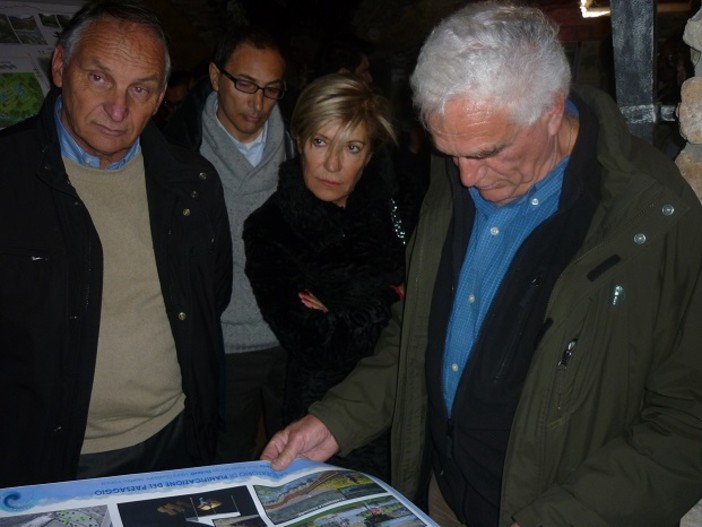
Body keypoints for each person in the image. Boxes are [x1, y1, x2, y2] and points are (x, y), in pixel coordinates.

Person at [260, 2, 702, 526]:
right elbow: (417, 331)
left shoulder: (653, 217)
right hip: (439, 494)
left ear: (551, 111)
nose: (467, 178)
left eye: (488, 152)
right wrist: (337, 419)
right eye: (451, 152)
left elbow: (686, 422)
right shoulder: (457, 173)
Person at [0, 0, 232, 488]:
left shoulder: (193, 184)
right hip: (43, 458)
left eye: (140, 88)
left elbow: (212, 294)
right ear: (60, 67)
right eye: (100, 78)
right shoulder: (8, 178)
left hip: (177, 441)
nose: (118, 108)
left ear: (161, 96)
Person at [243, 74, 407, 481]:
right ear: (300, 141)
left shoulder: (394, 206)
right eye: (320, 142)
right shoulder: (270, 227)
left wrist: (346, 309)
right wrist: (393, 299)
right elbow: (315, 342)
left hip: (404, 412)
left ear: (369, 155)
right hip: (321, 420)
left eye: (351, 147)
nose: (333, 164)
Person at [164, 26, 294, 463]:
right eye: (245, 85)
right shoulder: (177, 151)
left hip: (294, 338)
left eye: (271, 90)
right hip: (220, 345)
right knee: (225, 464)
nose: (257, 104)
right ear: (216, 77)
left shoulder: (302, 142)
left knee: (299, 462)